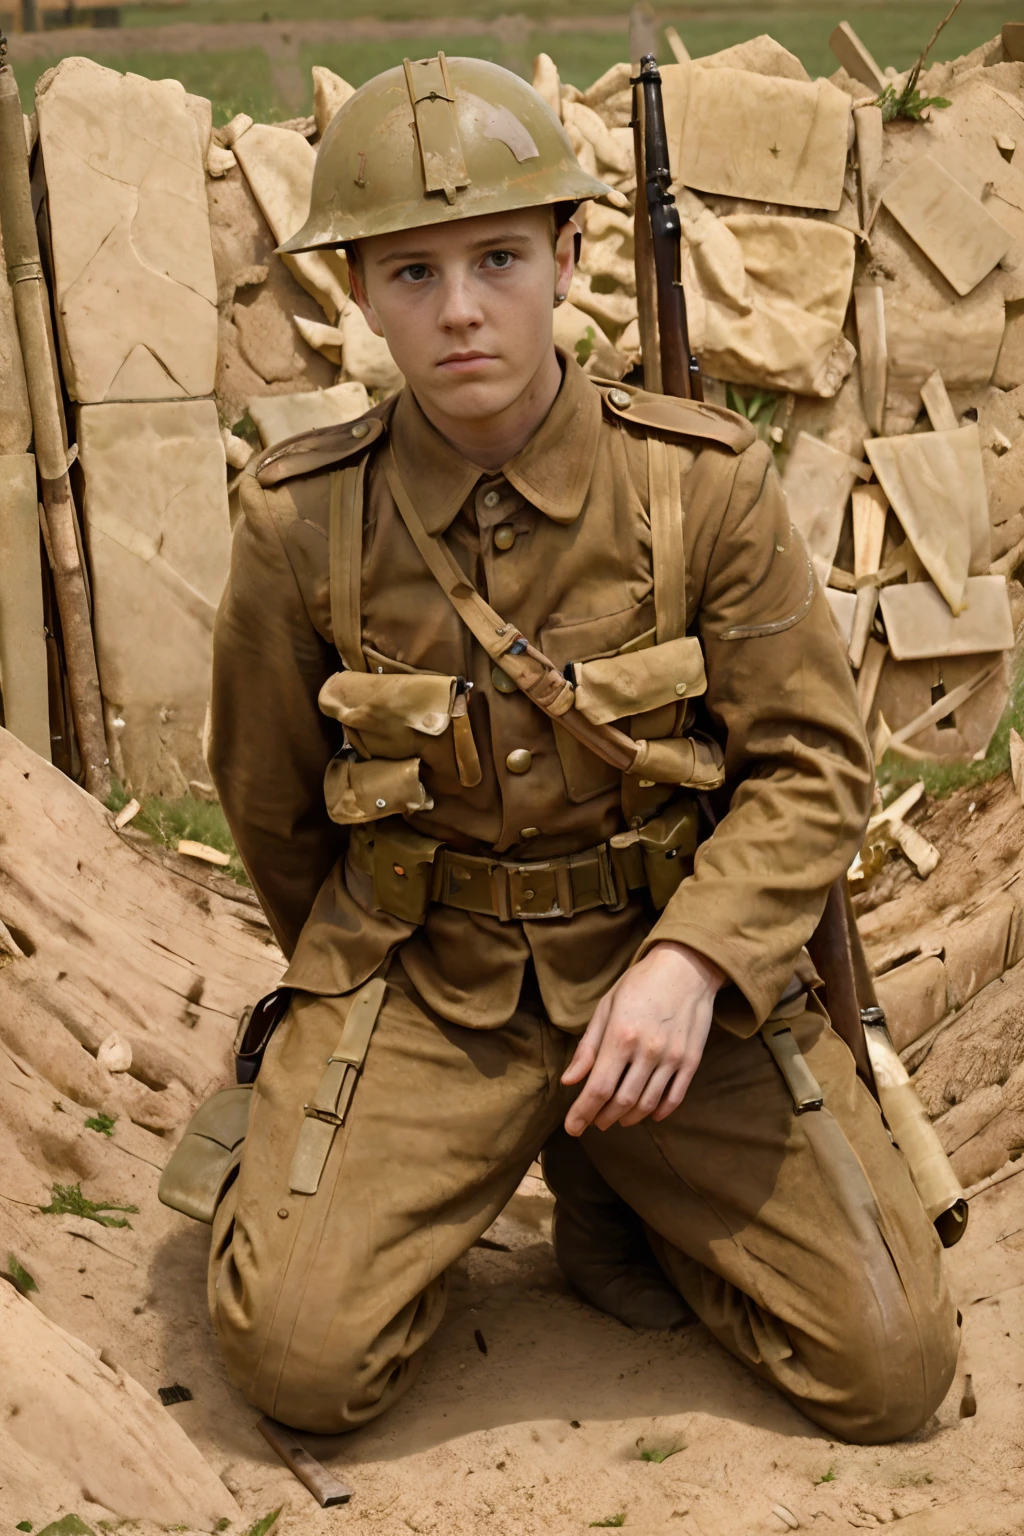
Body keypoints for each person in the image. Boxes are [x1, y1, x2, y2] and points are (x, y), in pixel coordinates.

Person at [198, 54, 959, 1443]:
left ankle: (625, 1192)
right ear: (356, 294)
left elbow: (812, 769)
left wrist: (696, 963)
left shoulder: (703, 483)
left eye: (498, 256)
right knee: (301, 1365)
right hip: (435, 986)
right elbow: (270, 809)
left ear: (570, 252)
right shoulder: (299, 522)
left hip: (670, 981)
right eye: (411, 274)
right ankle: (430, 1182)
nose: (462, 309)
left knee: (893, 1373)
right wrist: (353, 1025)